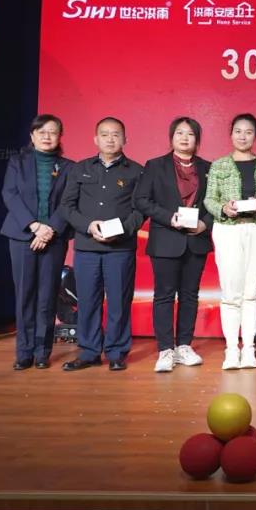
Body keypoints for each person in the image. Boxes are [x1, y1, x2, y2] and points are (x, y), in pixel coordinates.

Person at [59, 117, 144, 372]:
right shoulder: (80, 169)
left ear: (125, 139)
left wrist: (121, 231)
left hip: (120, 248)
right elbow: (67, 206)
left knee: (119, 301)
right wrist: (88, 226)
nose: (110, 139)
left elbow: (140, 211)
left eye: (115, 134)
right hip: (87, 247)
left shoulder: (137, 171)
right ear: (96, 139)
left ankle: (117, 352)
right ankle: (89, 352)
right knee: (87, 301)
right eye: (104, 134)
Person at [134, 117, 214, 373]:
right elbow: (141, 200)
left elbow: (216, 202)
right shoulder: (155, 165)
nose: (184, 138)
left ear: (197, 139)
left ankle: (184, 346)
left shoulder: (208, 168)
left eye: (190, 134)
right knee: (164, 295)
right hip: (166, 239)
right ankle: (166, 349)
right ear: (171, 137)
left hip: (196, 240)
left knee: (190, 295)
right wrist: (169, 217)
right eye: (179, 133)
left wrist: (205, 224)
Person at [203, 113, 256, 370]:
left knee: (250, 292)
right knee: (230, 292)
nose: (243, 136)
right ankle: (231, 349)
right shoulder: (219, 165)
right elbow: (209, 199)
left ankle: (248, 349)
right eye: (238, 131)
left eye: (248, 132)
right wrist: (224, 208)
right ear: (231, 134)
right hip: (228, 230)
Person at [0, 114, 74, 370]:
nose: (46, 136)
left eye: (52, 132)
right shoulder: (17, 163)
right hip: (22, 236)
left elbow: (68, 202)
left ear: (60, 137)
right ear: (32, 136)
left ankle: (42, 352)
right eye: (41, 132)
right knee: (25, 295)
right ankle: (24, 352)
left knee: (47, 297)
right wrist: (34, 226)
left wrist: (50, 229)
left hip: (54, 238)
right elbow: (10, 194)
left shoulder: (68, 167)